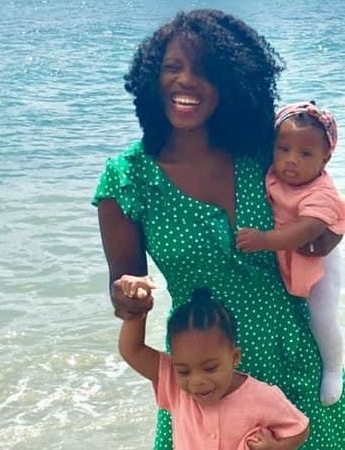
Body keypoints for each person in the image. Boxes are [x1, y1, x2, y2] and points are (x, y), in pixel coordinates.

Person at [92, 8, 345, 450]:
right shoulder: (127, 179)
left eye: (206, 70)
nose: (186, 80)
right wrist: (128, 296)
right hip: (202, 377)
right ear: (151, 78)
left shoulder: (263, 153)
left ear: (231, 81)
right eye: (173, 67)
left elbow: (323, 206)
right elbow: (124, 287)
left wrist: (327, 234)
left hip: (294, 357)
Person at [236, 101, 345, 407]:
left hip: (319, 263)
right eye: (283, 149)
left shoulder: (321, 191)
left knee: (322, 316)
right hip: (288, 255)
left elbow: (307, 230)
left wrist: (264, 240)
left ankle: (334, 369)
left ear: (325, 158)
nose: (291, 160)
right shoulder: (274, 171)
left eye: (305, 154)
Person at [118, 280, 309, 450]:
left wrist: (276, 447)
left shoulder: (262, 396)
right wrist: (137, 311)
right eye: (184, 371)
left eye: (209, 368)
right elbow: (132, 350)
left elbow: (299, 429)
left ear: (235, 357)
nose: (197, 381)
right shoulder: (174, 385)